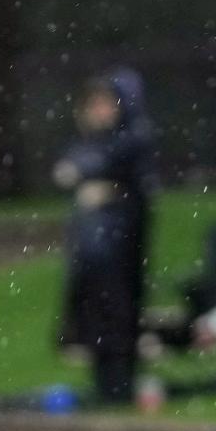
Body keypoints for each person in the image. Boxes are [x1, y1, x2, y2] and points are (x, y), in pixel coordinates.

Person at [53, 69, 155, 407]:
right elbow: (70, 171)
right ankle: (104, 383)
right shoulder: (91, 142)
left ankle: (120, 384)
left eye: (105, 104)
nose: (100, 111)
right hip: (94, 249)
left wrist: (102, 186)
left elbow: (108, 173)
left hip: (120, 245)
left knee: (118, 310)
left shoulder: (131, 138)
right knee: (94, 310)